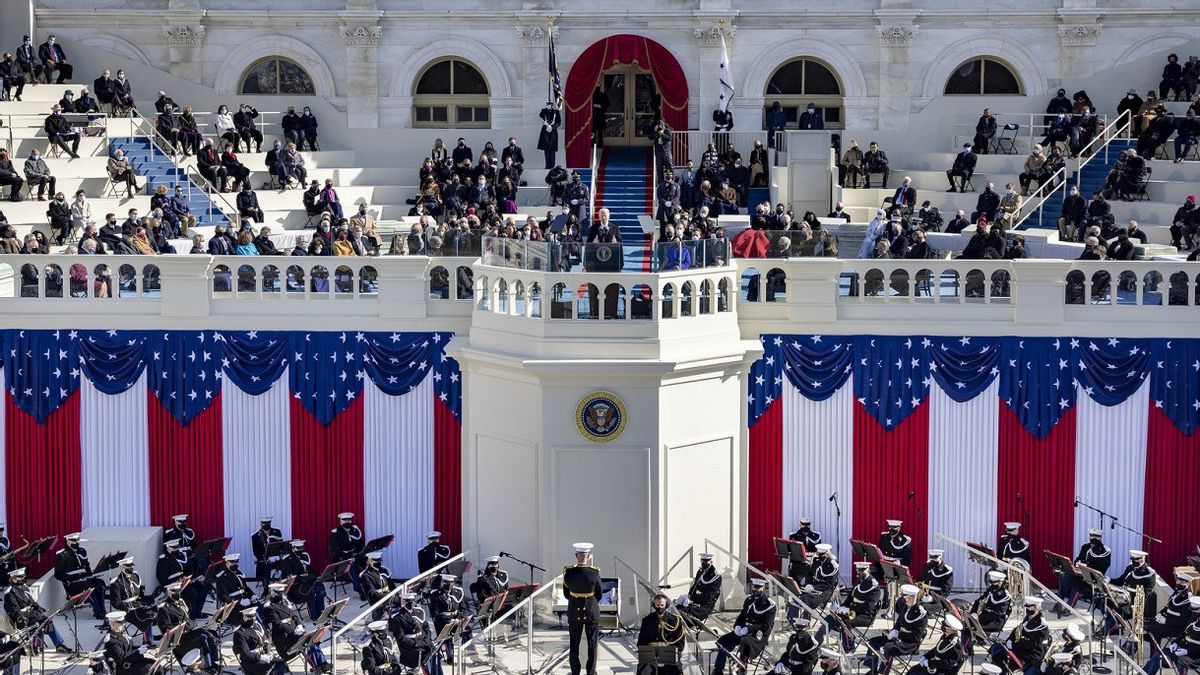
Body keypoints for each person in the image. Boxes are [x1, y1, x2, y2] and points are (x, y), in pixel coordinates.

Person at [260, 582, 332, 673]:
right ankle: (317, 666)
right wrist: (294, 631)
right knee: (306, 641)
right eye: (279, 593)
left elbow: (295, 616)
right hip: (284, 641)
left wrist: (299, 625)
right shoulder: (269, 608)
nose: (282, 595)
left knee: (312, 639)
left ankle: (322, 664)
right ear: (273, 593)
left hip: (294, 635)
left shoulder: (284, 604)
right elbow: (278, 625)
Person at [712, 577, 776, 675]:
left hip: (757, 635)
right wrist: (737, 625)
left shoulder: (769, 604)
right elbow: (742, 616)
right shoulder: (749, 600)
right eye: (755, 587)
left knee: (745, 642)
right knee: (725, 640)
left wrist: (748, 629)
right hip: (743, 631)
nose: (756, 589)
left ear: (763, 588)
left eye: (759, 587)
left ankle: (742, 668)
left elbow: (766, 626)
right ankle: (718, 669)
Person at [155, 581, 222, 671]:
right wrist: (183, 626)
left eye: (179, 591)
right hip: (178, 640)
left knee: (212, 633)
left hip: (188, 633)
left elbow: (188, 620)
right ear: (168, 591)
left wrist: (192, 624)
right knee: (203, 638)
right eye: (175, 591)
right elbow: (165, 629)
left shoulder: (179, 603)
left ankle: (212, 661)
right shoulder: (164, 608)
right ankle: (208, 666)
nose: (177, 593)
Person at [865, 584, 928, 675]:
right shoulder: (904, 606)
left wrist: (898, 634)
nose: (905, 600)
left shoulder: (921, 614)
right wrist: (895, 630)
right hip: (897, 638)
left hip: (909, 643)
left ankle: (883, 672)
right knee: (872, 642)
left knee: (889, 649)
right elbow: (899, 622)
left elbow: (916, 637)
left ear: (912, 597)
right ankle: (873, 670)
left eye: (906, 598)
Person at [563, 542, 603, 675]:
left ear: (576, 555)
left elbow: (566, 594)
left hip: (574, 611)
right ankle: (590, 673)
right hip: (591, 611)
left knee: (574, 644)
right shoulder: (594, 572)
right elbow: (599, 593)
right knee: (592, 644)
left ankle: (575, 672)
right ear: (589, 556)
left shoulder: (568, 573)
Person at [825, 563, 881, 651]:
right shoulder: (859, 581)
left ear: (868, 570)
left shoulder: (874, 586)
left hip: (865, 616)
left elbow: (868, 607)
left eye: (862, 571)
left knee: (844, 622)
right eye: (858, 571)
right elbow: (850, 597)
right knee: (833, 616)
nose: (860, 573)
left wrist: (849, 609)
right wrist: (840, 608)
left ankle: (849, 647)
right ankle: (819, 638)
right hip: (854, 612)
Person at [54, 532, 108, 619]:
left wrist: (91, 575)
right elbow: (58, 574)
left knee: (100, 583)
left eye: (78, 540)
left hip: (85, 580)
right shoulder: (62, 555)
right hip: (74, 584)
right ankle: (99, 612)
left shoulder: (82, 551)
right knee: (90, 587)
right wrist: (75, 577)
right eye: (74, 541)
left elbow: (87, 566)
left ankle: (102, 609)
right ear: (68, 542)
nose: (77, 543)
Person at [990, 596, 1050, 674]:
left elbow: (1032, 644)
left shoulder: (1042, 624)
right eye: (1027, 608)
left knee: (1004, 660)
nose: (1027, 610)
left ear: (1037, 608)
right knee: (998, 652)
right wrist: (1010, 640)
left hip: (1031, 654)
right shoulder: (1029, 617)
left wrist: (1014, 645)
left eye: (1030, 608)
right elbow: (1018, 629)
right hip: (1021, 648)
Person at [636, 593, 685, 675]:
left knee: (673, 667)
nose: (660, 607)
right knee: (644, 667)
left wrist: (675, 652)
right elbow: (642, 640)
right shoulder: (647, 620)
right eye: (658, 605)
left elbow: (680, 642)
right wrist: (644, 651)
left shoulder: (676, 620)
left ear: (666, 605)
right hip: (651, 652)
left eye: (662, 605)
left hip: (669, 652)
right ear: (654, 605)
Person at [278, 540, 327, 621]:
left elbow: (313, 572)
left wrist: (307, 577)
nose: (300, 550)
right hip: (295, 587)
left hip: (306, 583)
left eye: (302, 548)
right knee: (312, 591)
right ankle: (314, 616)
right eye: (298, 548)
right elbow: (291, 578)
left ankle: (322, 613)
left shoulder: (305, 556)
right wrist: (307, 577)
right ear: (293, 549)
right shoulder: (287, 560)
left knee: (319, 589)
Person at [233, 606, 286, 675]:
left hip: (263, 655)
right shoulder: (239, 633)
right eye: (249, 617)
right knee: (272, 666)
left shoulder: (258, 626)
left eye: (254, 616)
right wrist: (261, 657)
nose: (253, 619)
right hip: (251, 661)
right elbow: (245, 654)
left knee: (282, 663)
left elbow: (265, 641)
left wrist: (268, 653)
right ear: (244, 617)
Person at [676, 552, 721, 623]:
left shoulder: (715, 577)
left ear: (711, 562)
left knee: (681, 613)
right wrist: (688, 597)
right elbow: (694, 586)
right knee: (675, 608)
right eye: (702, 562)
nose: (704, 563)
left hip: (704, 606)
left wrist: (692, 598)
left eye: (706, 562)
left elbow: (708, 597)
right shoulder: (700, 572)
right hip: (694, 602)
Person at [329, 512, 365, 596]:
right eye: (344, 520)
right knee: (351, 567)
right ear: (340, 521)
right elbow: (335, 550)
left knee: (367, 563)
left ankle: (369, 584)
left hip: (355, 554)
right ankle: (359, 589)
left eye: (349, 520)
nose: (347, 522)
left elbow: (361, 544)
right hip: (342, 557)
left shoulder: (355, 530)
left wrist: (357, 554)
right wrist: (348, 557)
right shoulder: (335, 532)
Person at [538, 101, 562, 169]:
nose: (548, 106)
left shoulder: (556, 112)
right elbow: (540, 115)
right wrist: (545, 110)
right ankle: (547, 165)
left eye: (549, 105)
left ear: (552, 105)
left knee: (552, 149)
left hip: (553, 131)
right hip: (545, 131)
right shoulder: (544, 111)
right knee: (546, 149)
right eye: (547, 105)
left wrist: (553, 126)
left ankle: (552, 165)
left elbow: (559, 122)